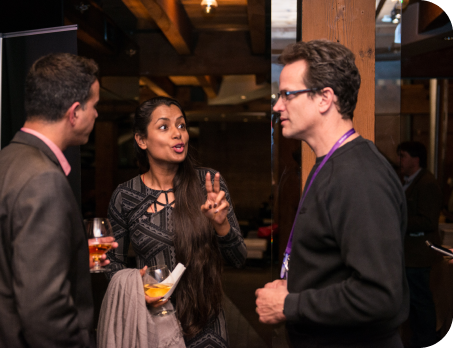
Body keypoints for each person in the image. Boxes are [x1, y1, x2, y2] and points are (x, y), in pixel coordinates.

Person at [255, 40, 409, 347]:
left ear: (325, 98)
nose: (277, 106)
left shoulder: (358, 177)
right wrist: (294, 288)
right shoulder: (331, 165)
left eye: (287, 94)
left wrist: (290, 305)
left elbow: (380, 296)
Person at [0, 53, 117, 347]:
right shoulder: (45, 180)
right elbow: (46, 311)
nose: (96, 114)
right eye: (94, 106)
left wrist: (74, 255)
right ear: (75, 112)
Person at [104, 96, 247, 347]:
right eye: (164, 127)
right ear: (141, 140)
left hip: (208, 326)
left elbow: (239, 258)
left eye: (181, 126)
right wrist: (138, 287)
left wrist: (221, 225)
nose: (177, 134)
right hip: (153, 325)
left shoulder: (209, 185)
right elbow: (109, 264)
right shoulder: (125, 196)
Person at [397, 141, 442, 348]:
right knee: (414, 304)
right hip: (409, 255)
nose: (400, 160)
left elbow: (428, 221)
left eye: (403, 156)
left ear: (415, 160)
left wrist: (398, 219)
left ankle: (426, 341)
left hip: (419, 255)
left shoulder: (427, 183)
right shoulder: (406, 181)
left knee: (421, 303)